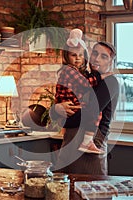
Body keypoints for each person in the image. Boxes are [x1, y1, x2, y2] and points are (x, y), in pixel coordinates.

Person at [51, 40, 119, 175]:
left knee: (92, 192)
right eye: (95, 53)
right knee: (63, 190)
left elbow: (88, 114)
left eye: (104, 56)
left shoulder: (109, 82)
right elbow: (56, 111)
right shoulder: (83, 77)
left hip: (92, 143)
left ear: (110, 63)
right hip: (70, 142)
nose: (97, 59)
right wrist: (56, 109)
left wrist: (60, 118)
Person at [55, 28, 110, 154]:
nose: (78, 58)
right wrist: (99, 77)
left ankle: (87, 141)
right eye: (73, 55)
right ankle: (87, 141)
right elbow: (86, 84)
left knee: (97, 114)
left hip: (75, 114)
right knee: (96, 114)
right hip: (71, 109)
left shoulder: (107, 82)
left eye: (80, 55)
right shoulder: (70, 70)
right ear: (66, 56)